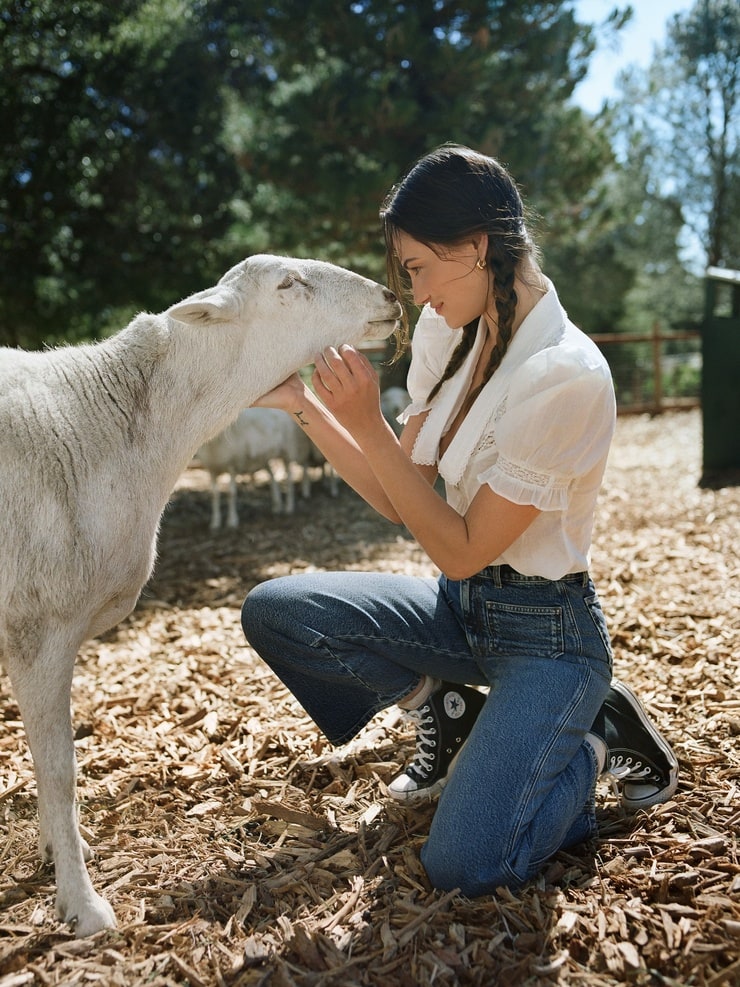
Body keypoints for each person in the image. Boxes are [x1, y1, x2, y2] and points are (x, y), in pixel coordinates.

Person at [240, 144, 678, 896]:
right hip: (462, 613)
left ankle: (599, 737)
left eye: (415, 268)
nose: (413, 293)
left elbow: (466, 547)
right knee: (280, 613)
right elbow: (398, 498)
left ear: (475, 248)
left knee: (466, 863)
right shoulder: (454, 334)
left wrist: (370, 424)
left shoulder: (564, 374)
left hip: (549, 641)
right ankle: (447, 708)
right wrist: (306, 407)